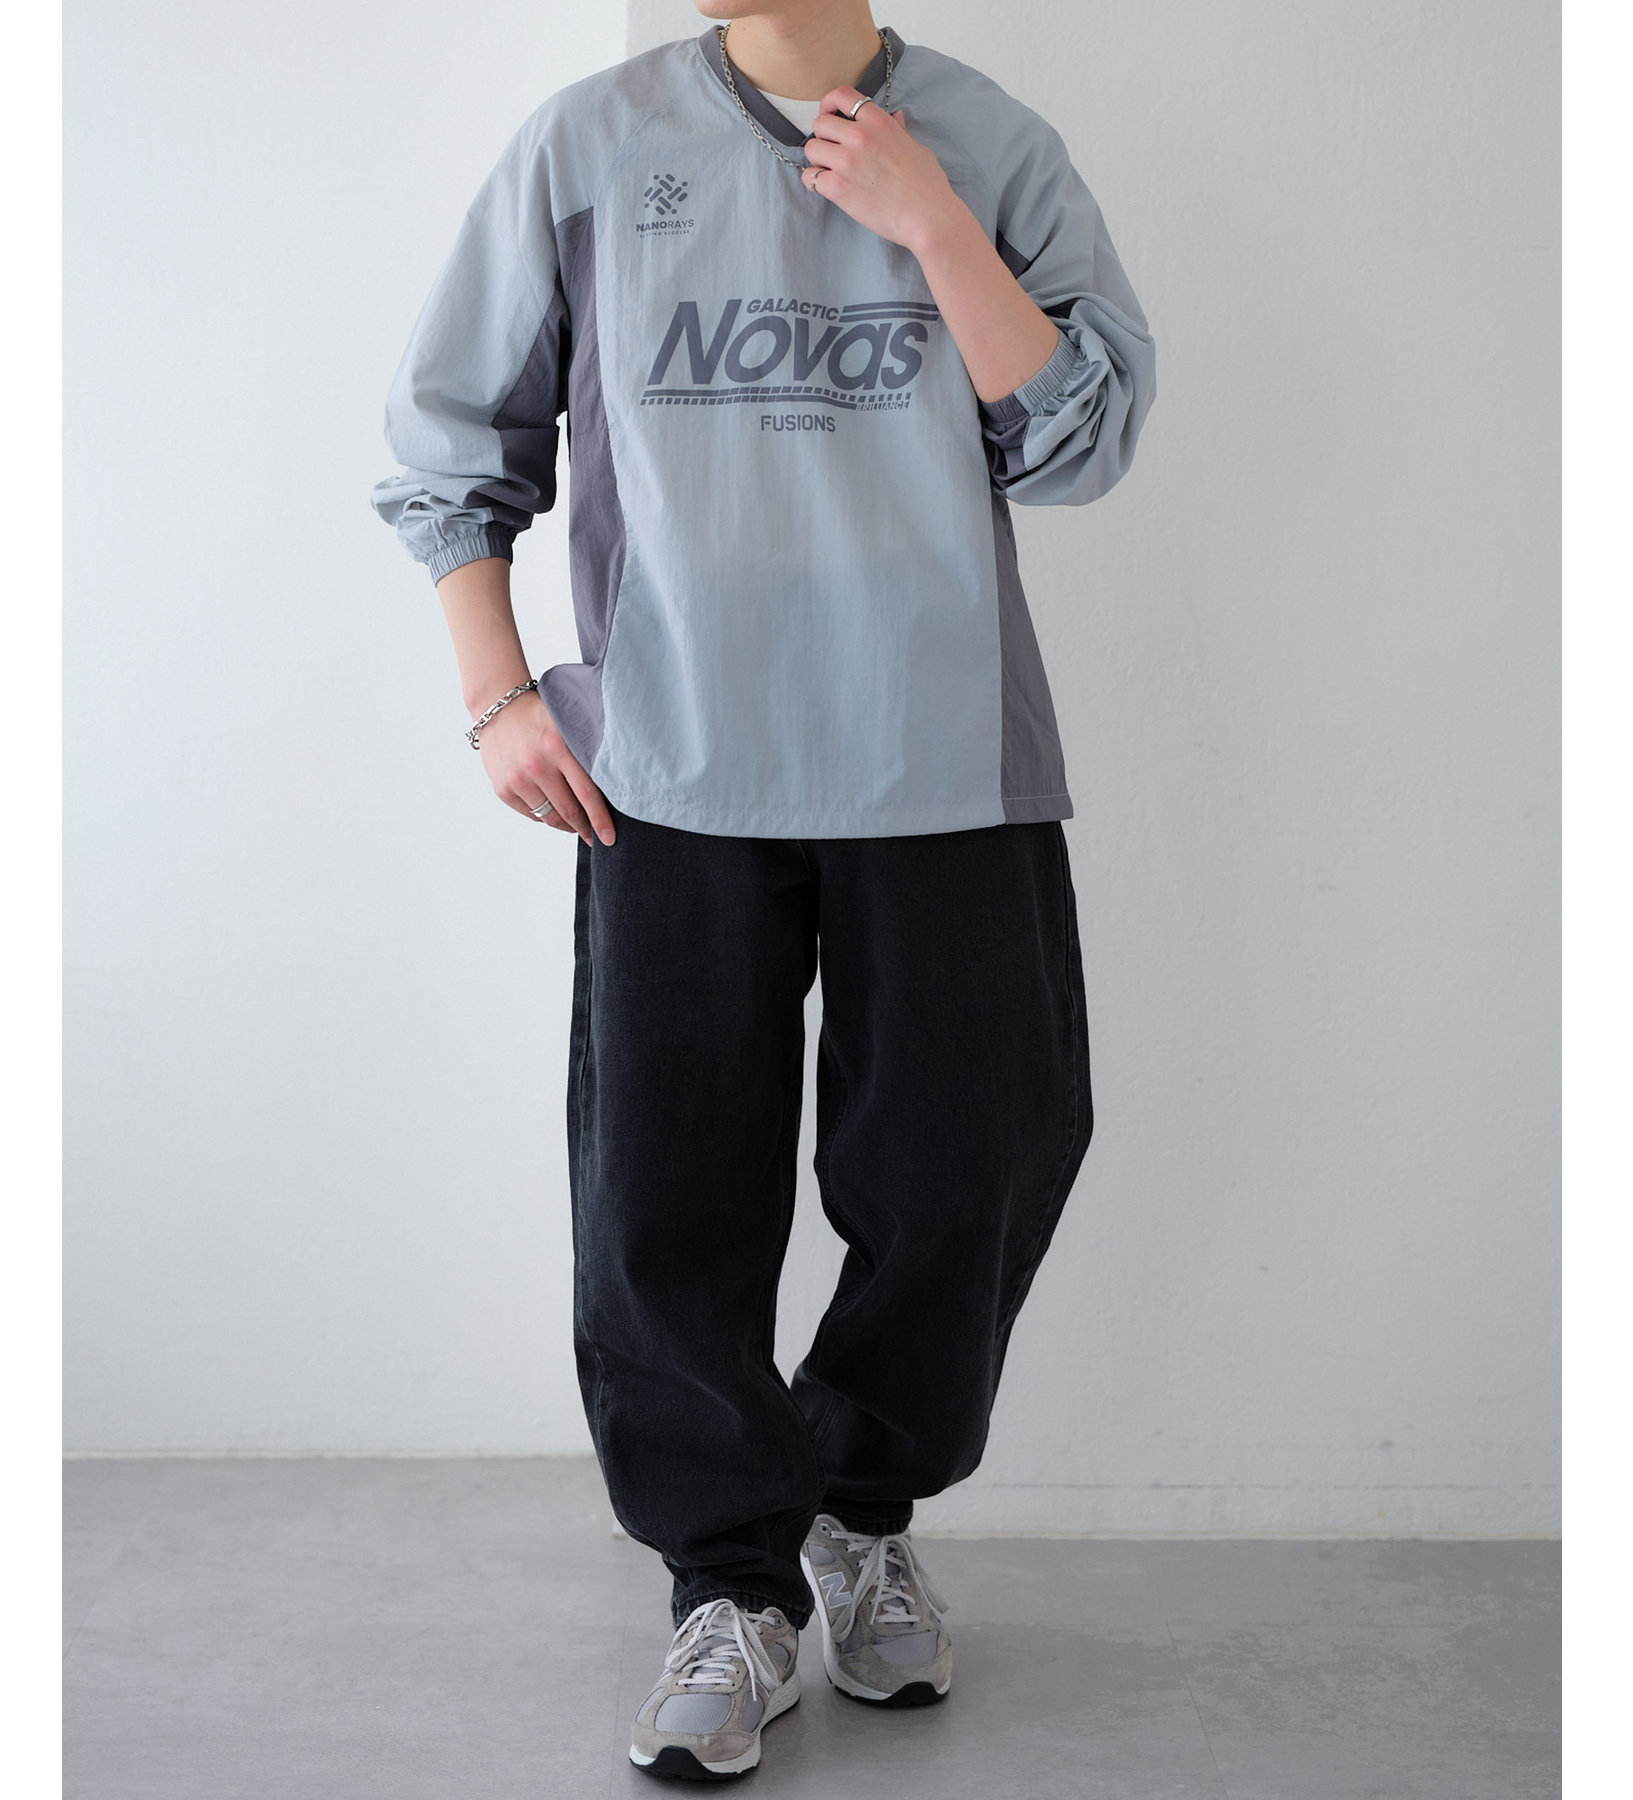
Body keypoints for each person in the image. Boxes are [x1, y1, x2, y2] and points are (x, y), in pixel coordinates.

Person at [372, 0, 1154, 1779]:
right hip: (672, 771)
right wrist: (497, 698)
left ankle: (860, 1513)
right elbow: (454, 438)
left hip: (944, 757)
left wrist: (932, 222)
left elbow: (1082, 443)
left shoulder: (989, 140)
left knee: (979, 1159)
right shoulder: (589, 145)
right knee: (666, 1194)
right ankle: (729, 1584)